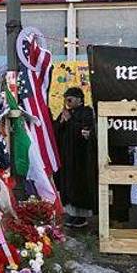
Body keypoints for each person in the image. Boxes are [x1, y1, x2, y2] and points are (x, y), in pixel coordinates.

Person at [54, 87, 97, 229]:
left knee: (80, 185)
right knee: (68, 184)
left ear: (79, 99)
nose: (68, 101)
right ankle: (71, 213)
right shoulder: (65, 113)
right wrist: (61, 122)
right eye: (66, 98)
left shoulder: (86, 112)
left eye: (70, 98)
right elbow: (57, 131)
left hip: (81, 157)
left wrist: (70, 120)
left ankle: (82, 216)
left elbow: (85, 132)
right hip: (67, 156)